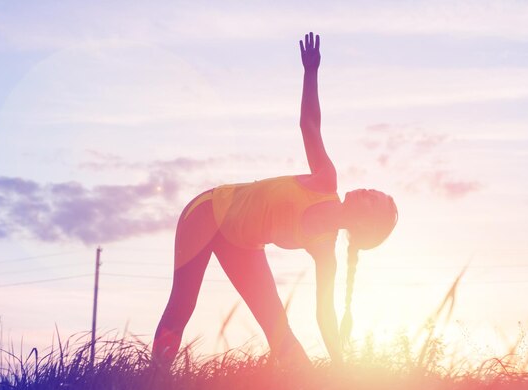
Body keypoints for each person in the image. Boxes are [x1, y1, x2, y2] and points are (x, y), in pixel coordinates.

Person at [152, 32, 398, 367]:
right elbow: (309, 125)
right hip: (208, 212)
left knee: (280, 332)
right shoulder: (325, 180)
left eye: (374, 201)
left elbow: (325, 314)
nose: (368, 191)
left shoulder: (325, 250)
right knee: (182, 305)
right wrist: (310, 73)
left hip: (242, 243)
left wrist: (341, 367)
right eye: (374, 191)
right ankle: (154, 383)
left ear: (365, 226)